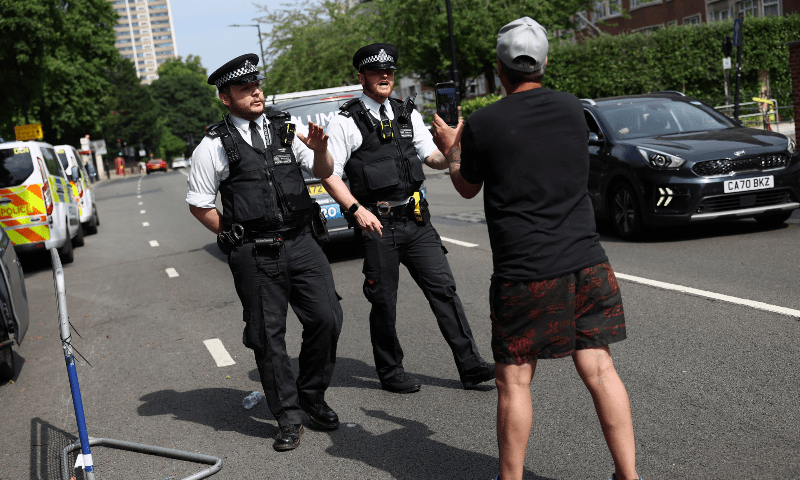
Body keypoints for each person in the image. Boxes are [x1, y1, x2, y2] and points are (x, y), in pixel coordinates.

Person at [431, 18, 641, 480]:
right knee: (601, 369)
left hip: (525, 273)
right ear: (544, 62)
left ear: (500, 70)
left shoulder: (484, 123)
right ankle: (629, 476)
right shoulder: (573, 109)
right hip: (587, 262)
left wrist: (452, 151)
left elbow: (467, 188)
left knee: (515, 380)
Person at [186, 54, 343, 452]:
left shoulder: (286, 127)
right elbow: (200, 203)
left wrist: (321, 150)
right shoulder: (213, 146)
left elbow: (324, 170)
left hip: (302, 242)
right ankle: (288, 416)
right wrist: (230, 234)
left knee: (327, 318)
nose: (255, 93)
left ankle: (311, 393)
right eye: (244, 89)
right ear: (226, 98)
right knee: (268, 339)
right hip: (256, 253)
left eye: (257, 86)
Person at [321, 43, 495, 394]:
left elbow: (431, 158)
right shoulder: (343, 120)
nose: (384, 76)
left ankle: (471, 365)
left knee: (444, 290)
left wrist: (453, 147)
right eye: (375, 71)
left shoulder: (406, 112)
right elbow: (330, 174)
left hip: (416, 221)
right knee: (383, 300)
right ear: (362, 77)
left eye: (389, 71)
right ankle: (390, 370)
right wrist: (356, 211)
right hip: (377, 224)